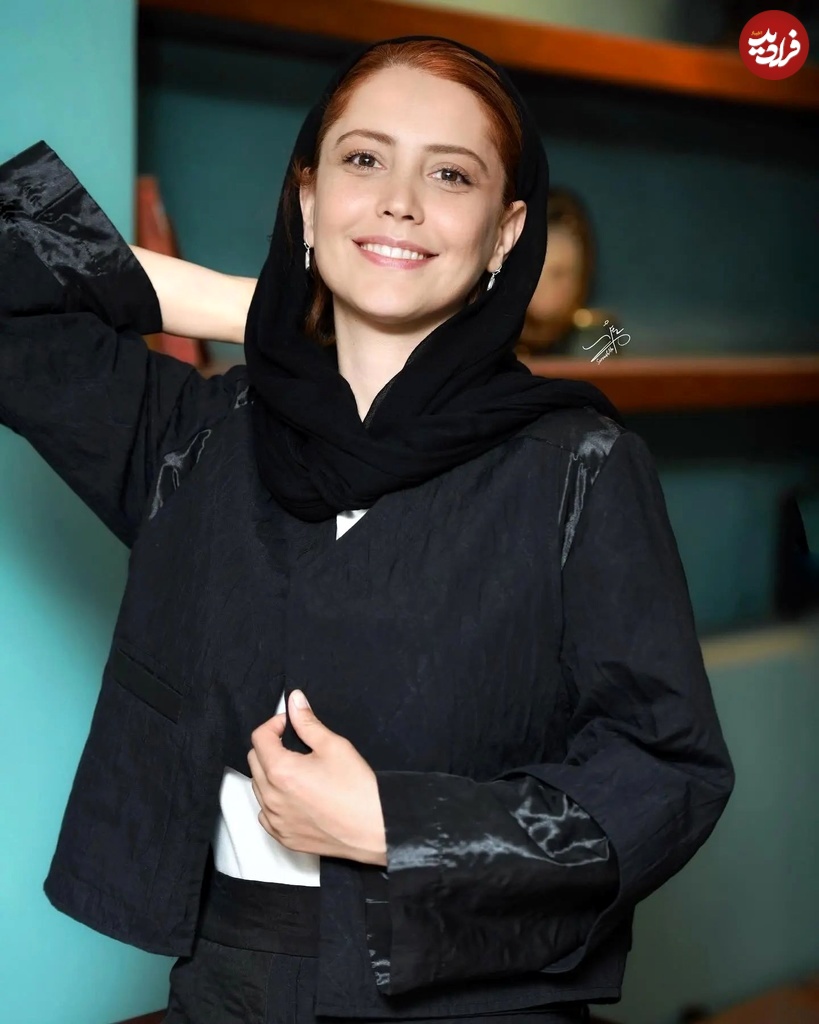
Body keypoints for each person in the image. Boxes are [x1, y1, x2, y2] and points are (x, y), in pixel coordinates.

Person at [0, 35, 734, 1024]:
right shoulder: (195, 439)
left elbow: (668, 768)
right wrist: (269, 308)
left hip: (477, 997)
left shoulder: (580, 467)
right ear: (306, 198)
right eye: (362, 159)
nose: (400, 201)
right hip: (228, 984)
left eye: (450, 174)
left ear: (507, 232)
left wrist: (397, 826)